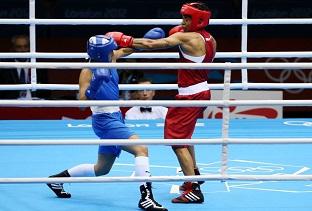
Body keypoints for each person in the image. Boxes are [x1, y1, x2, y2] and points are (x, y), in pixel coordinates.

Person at [107, 2, 217, 204]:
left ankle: (194, 190)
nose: (183, 22)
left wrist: (124, 39)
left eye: (187, 18)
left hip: (190, 96)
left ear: (199, 20)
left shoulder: (187, 37)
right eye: (183, 17)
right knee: (185, 138)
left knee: (176, 142)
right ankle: (194, 176)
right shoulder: (210, 38)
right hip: (201, 90)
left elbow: (152, 45)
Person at [47, 32, 168, 211]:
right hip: (104, 120)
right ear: (101, 54)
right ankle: (146, 198)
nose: (114, 51)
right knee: (141, 148)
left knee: (101, 168)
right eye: (111, 49)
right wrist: (95, 85)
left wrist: (139, 39)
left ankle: (57, 180)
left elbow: (127, 50)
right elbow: (81, 103)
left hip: (116, 117)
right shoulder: (88, 71)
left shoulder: (111, 58)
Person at [0, 34, 50, 99]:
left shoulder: (38, 65)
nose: (23, 50)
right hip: (11, 104)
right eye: (19, 47)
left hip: (35, 103)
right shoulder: (4, 65)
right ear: (13, 48)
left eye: (25, 46)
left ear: (29, 47)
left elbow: (46, 91)